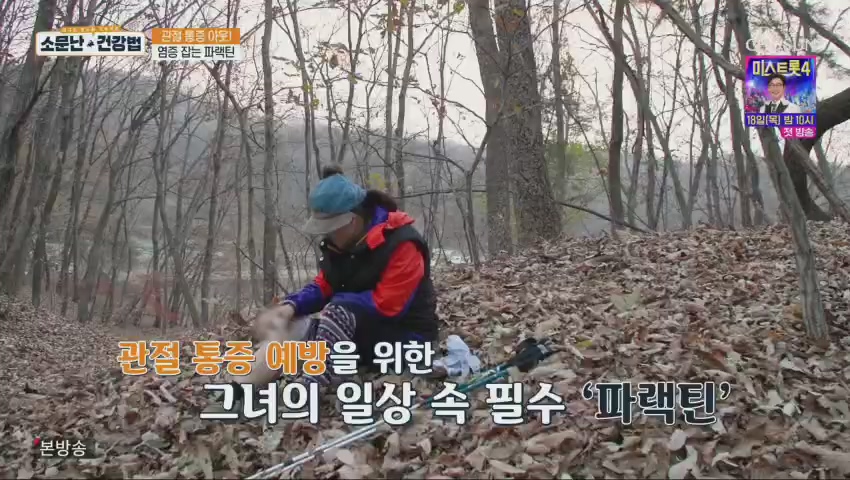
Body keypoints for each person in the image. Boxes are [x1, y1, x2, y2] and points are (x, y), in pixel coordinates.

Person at [231, 165, 439, 391]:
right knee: (293, 325)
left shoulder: (403, 243)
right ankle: (240, 388)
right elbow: (325, 284)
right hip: (361, 334)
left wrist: (337, 309)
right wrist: (291, 306)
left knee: (337, 312)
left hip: (406, 340)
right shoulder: (341, 244)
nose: (328, 234)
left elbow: (388, 306)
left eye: (332, 228)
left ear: (353, 220)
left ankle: (312, 386)